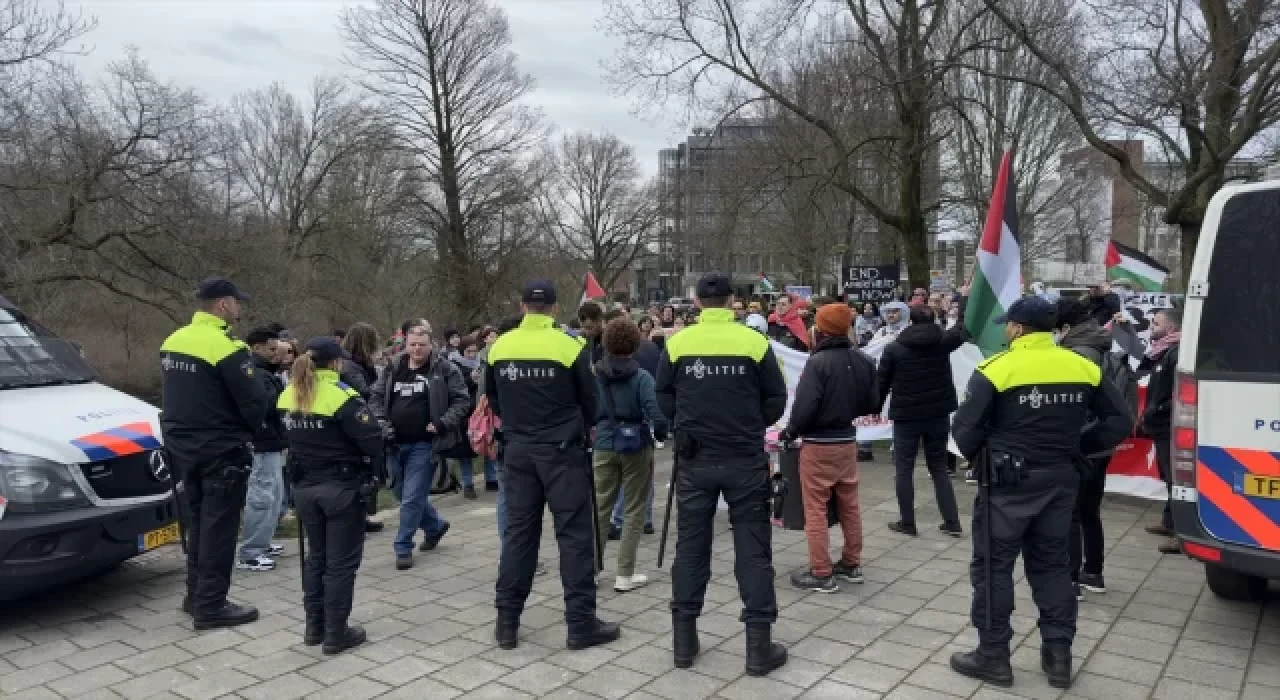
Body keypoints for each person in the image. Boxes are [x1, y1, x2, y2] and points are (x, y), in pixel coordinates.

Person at [948, 297, 1131, 689]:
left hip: (1006, 486)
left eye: (1008, 325)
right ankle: (1058, 658)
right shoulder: (1083, 367)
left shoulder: (996, 369)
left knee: (993, 569)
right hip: (1060, 480)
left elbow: (964, 431)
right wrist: (1078, 447)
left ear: (1016, 329)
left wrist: (988, 457)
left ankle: (993, 657)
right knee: (1053, 568)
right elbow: (1120, 420)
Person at [656, 272, 789, 677]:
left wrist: (687, 424)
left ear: (696, 303)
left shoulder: (677, 343)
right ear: (732, 301)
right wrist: (749, 425)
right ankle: (758, 648)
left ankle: (684, 642)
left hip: (695, 460)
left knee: (691, 548)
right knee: (753, 548)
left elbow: (663, 397)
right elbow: (776, 398)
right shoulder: (754, 341)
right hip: (745, 458)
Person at [485, 280, 619, 651]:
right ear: (556, 309)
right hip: (562, 452)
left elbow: (493, 398)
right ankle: (580, 624)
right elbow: (591, 402)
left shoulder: (500, 347)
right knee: (574, 537)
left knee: (518, 537)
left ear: (522, 304)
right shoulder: (571, 346)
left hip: (518, 451)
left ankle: (507, 622)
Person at [160, 277, 268, 629]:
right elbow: (253, 401)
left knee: (197, 525)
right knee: (219, 528)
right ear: (223, 304)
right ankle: (212, 606)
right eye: (237, 302)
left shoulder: (172, 341)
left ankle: (195, 595)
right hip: (220, 450)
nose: (240, 308)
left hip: (181, 449)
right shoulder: (226, 347)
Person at [278, 337, 384, 654]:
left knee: (316, 559)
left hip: (305, 489)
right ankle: (337, 633)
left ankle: (314, 627)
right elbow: (372, 440)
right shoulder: (342, 396)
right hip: (340, 489)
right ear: (336, 363)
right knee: (341, 564)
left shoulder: (289, 394)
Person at [781, 303, 878, 593]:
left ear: (821, 329)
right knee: (850, 504)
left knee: (816, 509)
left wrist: (791, 431)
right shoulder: (862, 360)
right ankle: (851, 562)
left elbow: (805, 407)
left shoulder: (818, 362)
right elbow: (872, 402)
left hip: (819, 444)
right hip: (847, 440)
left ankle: (821, 571)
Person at [369, 327, 470, 570]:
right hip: (394, 443)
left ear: (431, 344)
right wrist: (382, 424)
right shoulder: (393, 367)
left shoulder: (444, 368)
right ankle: (435, 526)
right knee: (400, 493)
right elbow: (375, 398)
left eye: (422, 344)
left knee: (412, 497)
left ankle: (403, 546)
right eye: (413, 344)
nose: (417, 349)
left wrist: (443, 422)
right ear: (406, 344)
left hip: (425, 444)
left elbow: (462, 399)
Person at [878, 302, 968, 539]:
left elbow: (881, 384)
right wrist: (967, 300)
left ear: (910, 321)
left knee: (904, 468)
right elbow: (966, 328)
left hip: (906, 416)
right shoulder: (944, 342)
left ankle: (908, 522)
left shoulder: (894, 349)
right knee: (938, 467)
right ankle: (952, 521)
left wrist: (872, 407)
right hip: (938, 414)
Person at [592, 317, 669, 592]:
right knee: (635, 507)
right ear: (635, 344)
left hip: (603, 442)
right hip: (635, 444)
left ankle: (591, 569)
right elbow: (656, 412)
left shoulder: (595, 374)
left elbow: (588, 408)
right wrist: (661, 432)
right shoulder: (641, 377)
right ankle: (625, 573)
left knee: (600, 506)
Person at [1053, 298, 1115, 596]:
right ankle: (1093, 571)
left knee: (1072, 513)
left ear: (1065, 328)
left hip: (1082, 442)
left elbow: (1078, 405)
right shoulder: (1102, 346)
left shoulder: (1079, 356)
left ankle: (1071, 578)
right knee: (1090, 510)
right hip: (1100, 443)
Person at [237, 327, 288, 572]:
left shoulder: (266, 372)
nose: (275, 354)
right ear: (256, 347)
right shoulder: (254, 372)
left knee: (274, 496)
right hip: (260, 443)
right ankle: (250, 552)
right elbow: (265, 405)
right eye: (271, 349)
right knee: (261, 497)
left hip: (272, 442)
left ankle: (263, 542)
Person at [1135, 307, 1181, 554]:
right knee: (1168, 475)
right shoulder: (1162, 351)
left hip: (1170, 425)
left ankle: (1181, 533)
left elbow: (1178, 392)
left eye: (1156, 322)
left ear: (1171, 328)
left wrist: (1157, 410)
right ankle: (1169, 521)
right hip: (1161, 424)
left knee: (1175, 479)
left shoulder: (1177, 352)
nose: (1151, 326)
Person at [340, 322, 387, 534]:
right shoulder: (351, 367)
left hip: (364, 421)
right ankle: (358, 517)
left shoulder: (357, 364)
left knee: (369, 472)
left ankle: (364, 515)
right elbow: (365, 392)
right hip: (358, 422)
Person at [450, 339, 497, 498]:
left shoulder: (483, 363)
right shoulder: (455, 366)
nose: (472, 355)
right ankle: (468, 483)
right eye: (468, 351)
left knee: (488, 443)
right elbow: (455, 388)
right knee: (467, 452)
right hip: (466, 413)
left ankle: (491, 478)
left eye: (474, 351)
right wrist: (471, 379)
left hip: (482, 410)